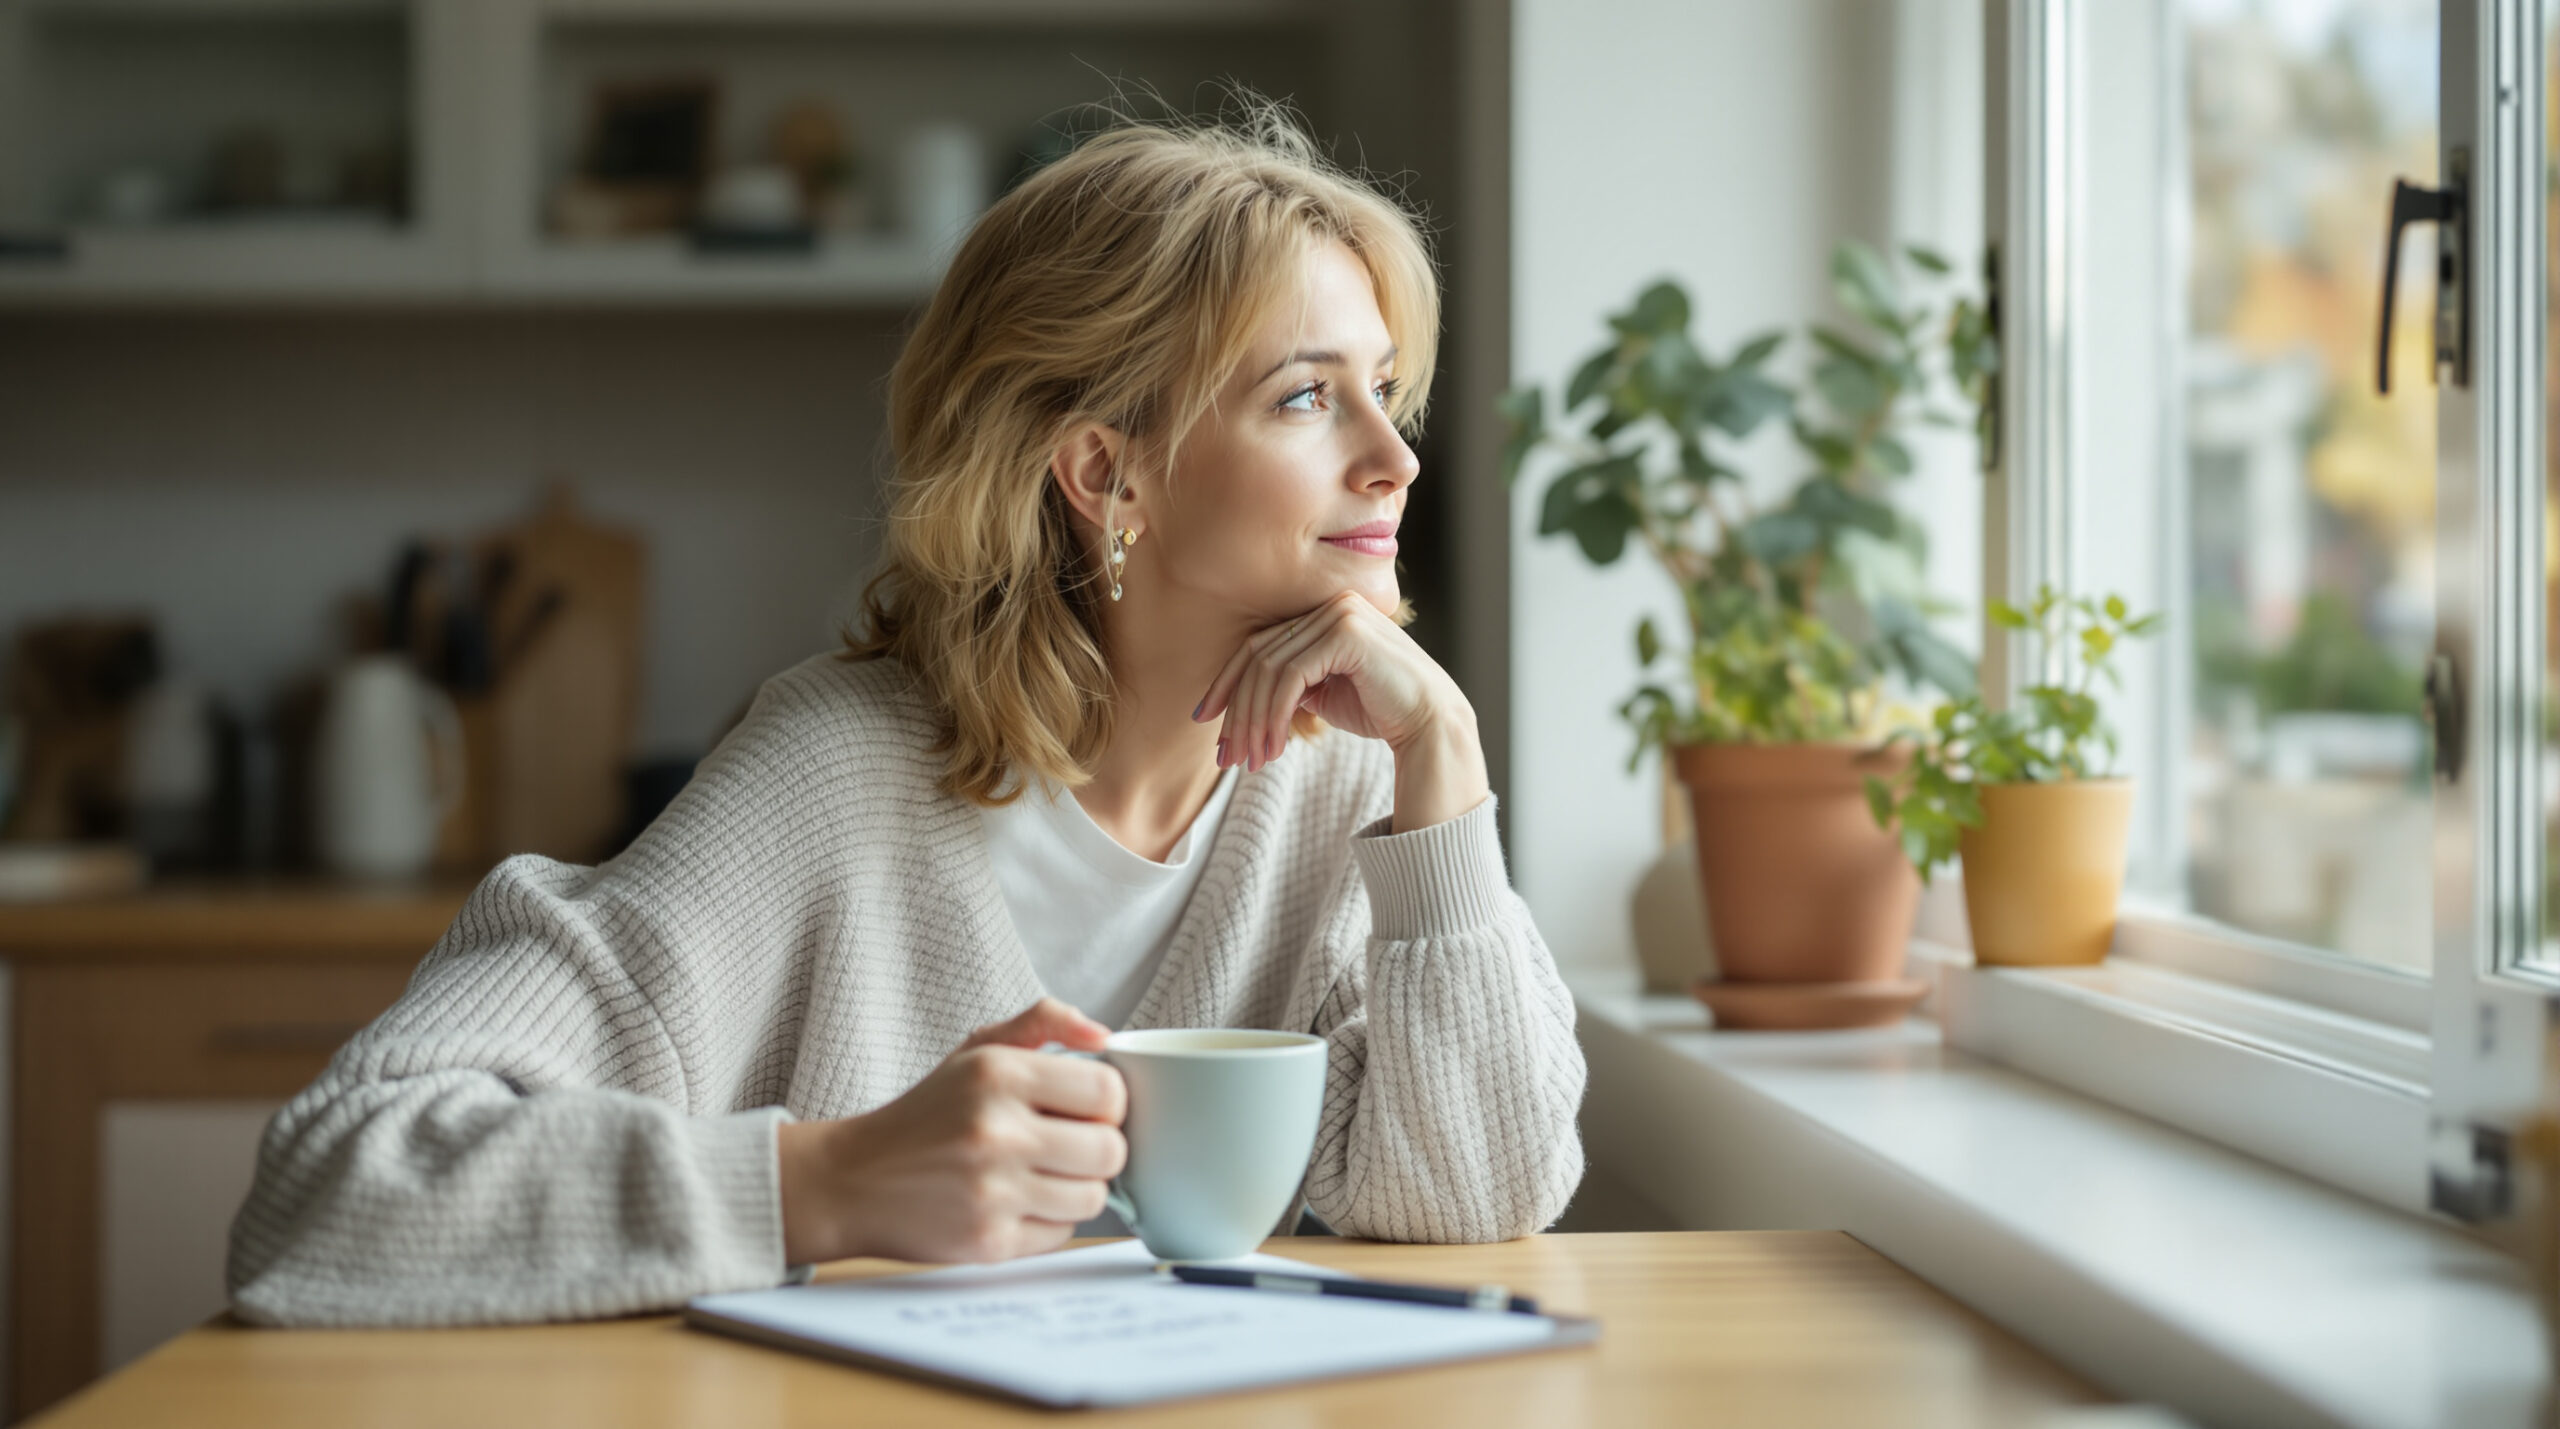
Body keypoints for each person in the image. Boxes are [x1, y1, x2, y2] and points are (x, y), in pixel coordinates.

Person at [226, 99, 1586, 1327]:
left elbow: (1475, 1195)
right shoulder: (829, 779)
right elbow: (327, 1184)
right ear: (1107, 475)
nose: (1396, 455)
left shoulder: (1343, 785)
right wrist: (825, 1180)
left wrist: (1443, 762)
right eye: (1307, 395)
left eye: (1385, 388)